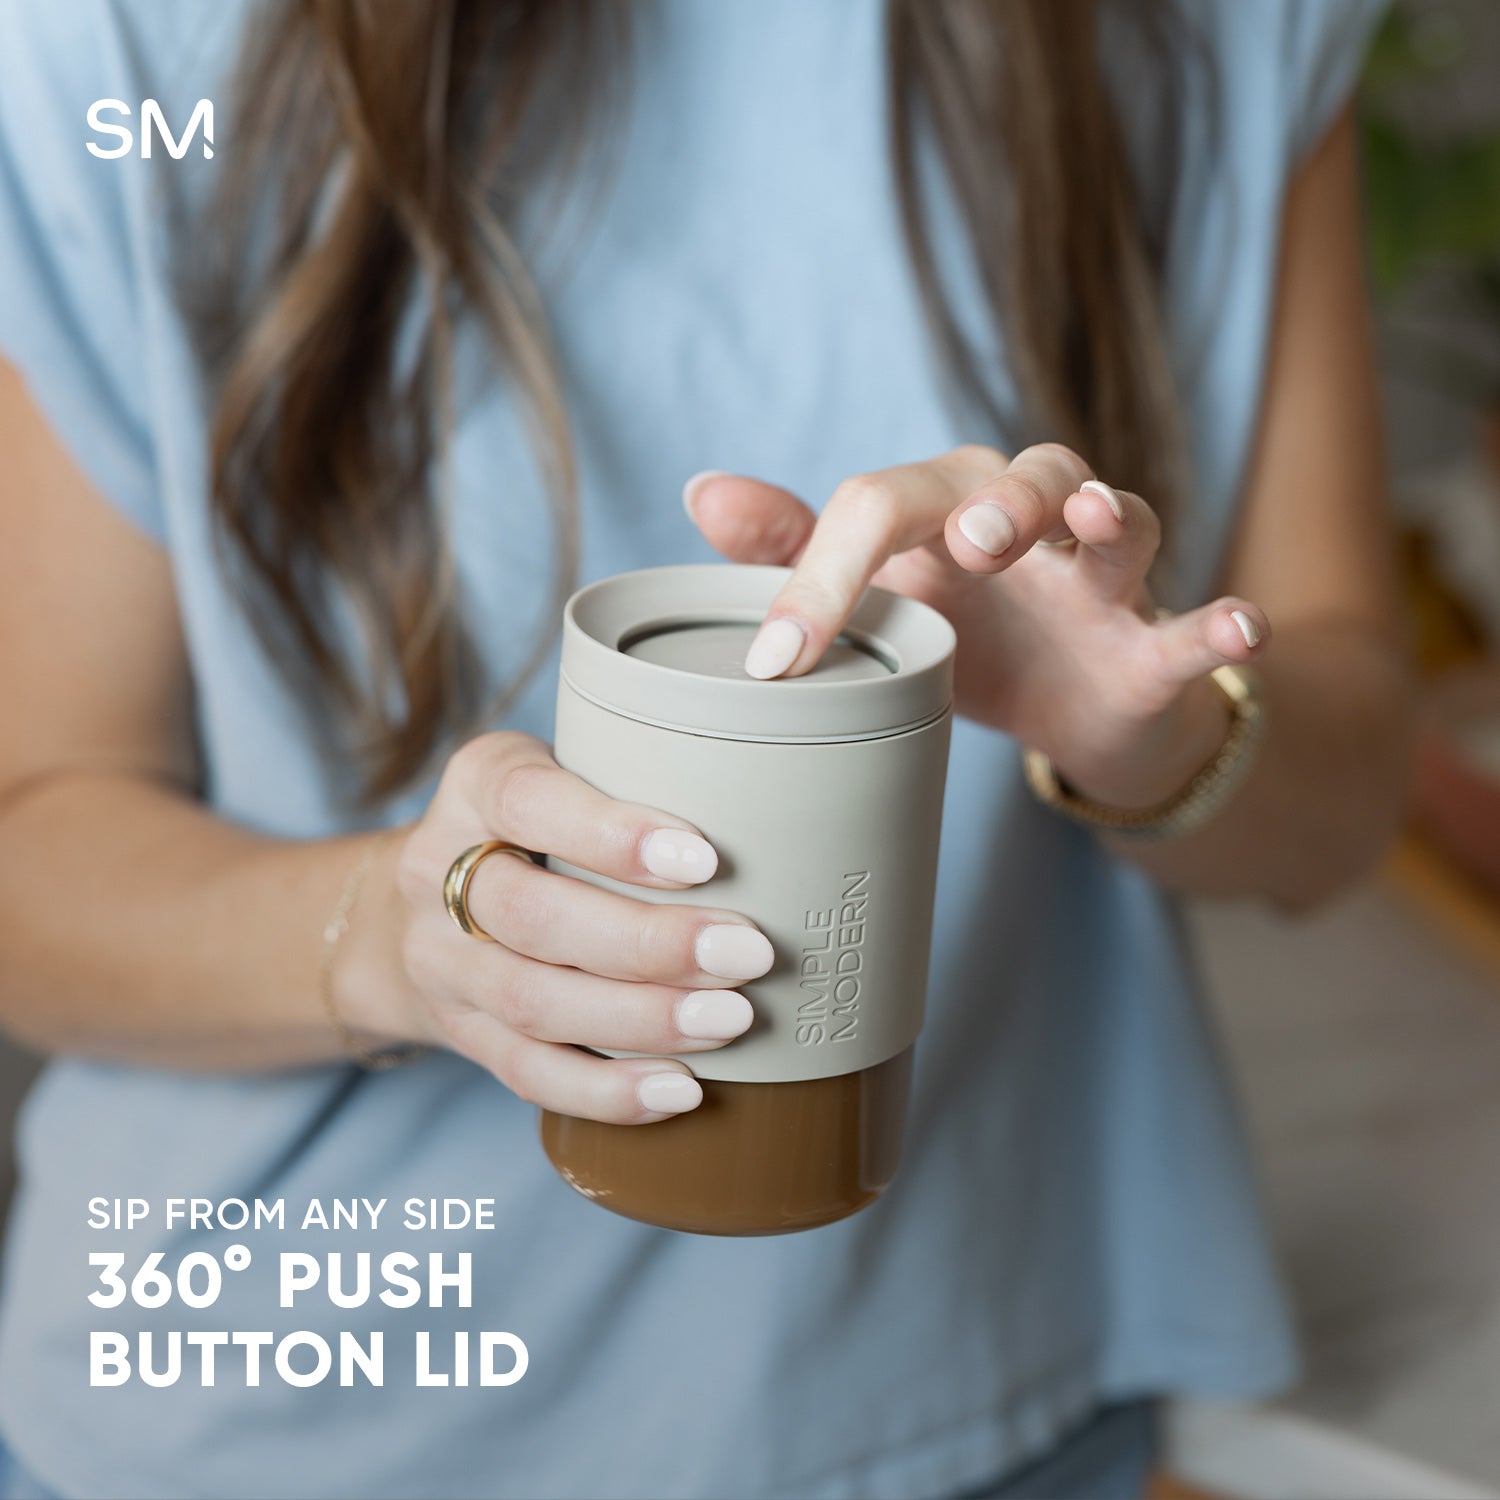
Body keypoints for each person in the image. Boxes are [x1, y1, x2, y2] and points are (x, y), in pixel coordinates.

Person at [0, 1, 1408, 1497]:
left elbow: (1346, 813)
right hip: (275, 1415)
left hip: (971, 1389)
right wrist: (393, 941)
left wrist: (1153, 729)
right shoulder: (125, 46)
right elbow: (33, 845)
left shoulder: (1219, 30)